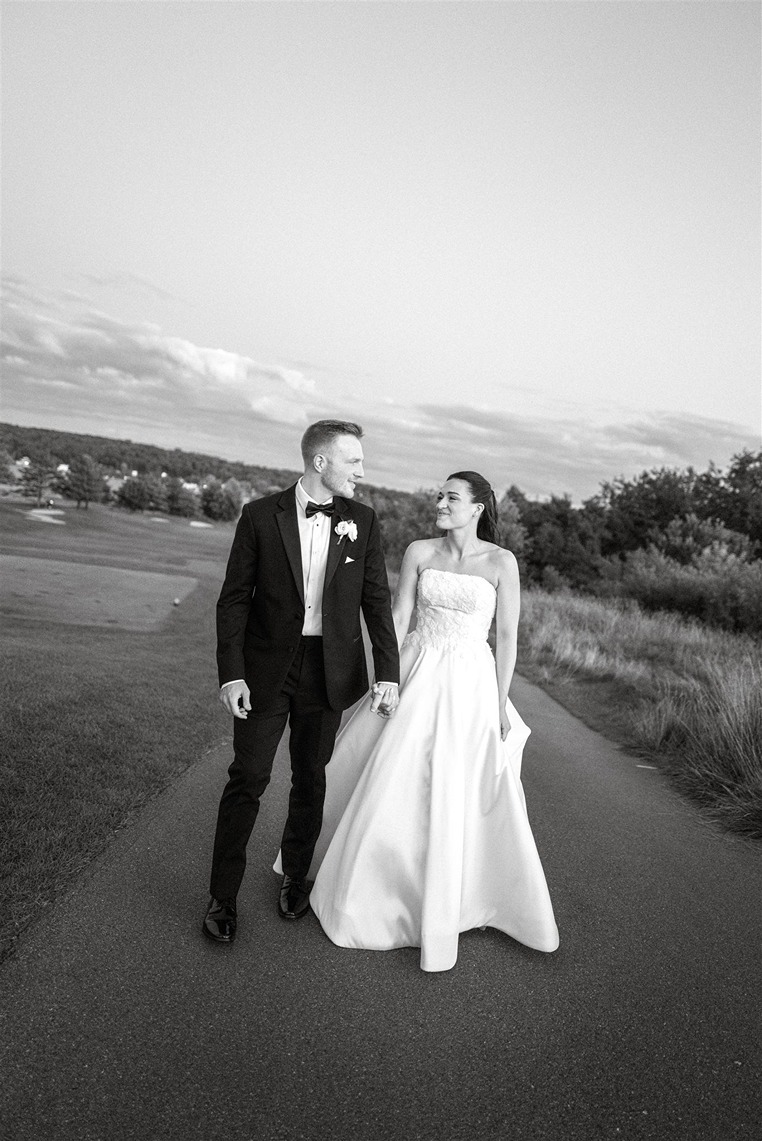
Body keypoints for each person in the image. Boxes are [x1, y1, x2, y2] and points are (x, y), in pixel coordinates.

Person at [306, 471, 560, 972]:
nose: (440, 503)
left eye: (451, 497)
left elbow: (506, 638)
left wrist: (499, 702)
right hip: (419, 669)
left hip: (471, 683)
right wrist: (387, 677)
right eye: (439, 495)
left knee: (461, 786)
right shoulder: (420, 551)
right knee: (396, 777)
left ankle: (462, 897)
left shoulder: (502, 563)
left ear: (478, 507)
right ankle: (372, 893)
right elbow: (400, 617)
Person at [203, 420, 400, 944]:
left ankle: (295, 875)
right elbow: (232, 601)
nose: (361, 470)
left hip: (328, 671)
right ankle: (222, 895)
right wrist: (232, 675)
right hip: (265, 670)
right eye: (352, 461)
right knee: (248, 777)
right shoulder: (259, 516)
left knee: (310, 779)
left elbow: (376, 602)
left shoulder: (364, 520)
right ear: (320, 462)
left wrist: (389, 674)